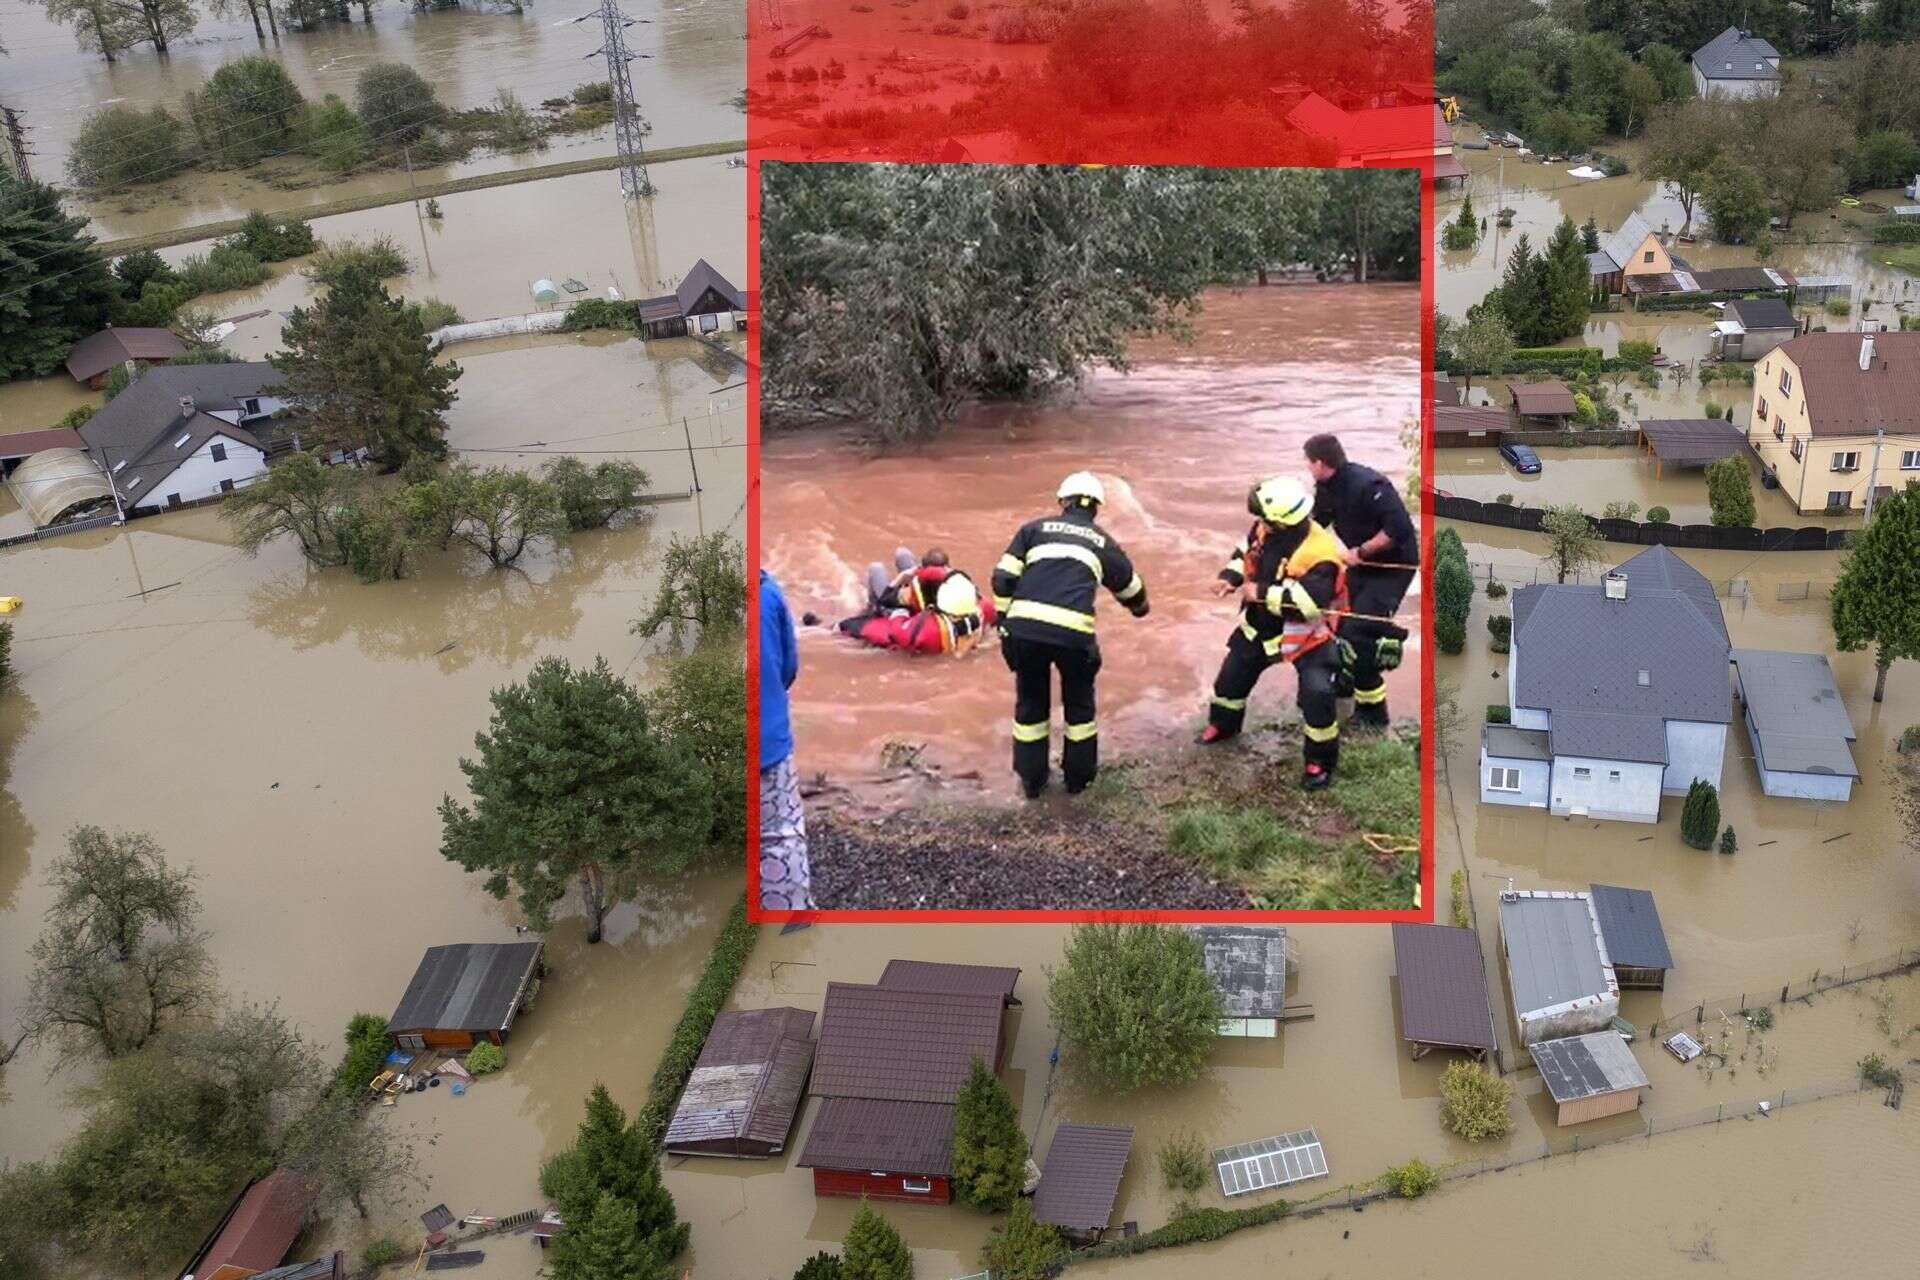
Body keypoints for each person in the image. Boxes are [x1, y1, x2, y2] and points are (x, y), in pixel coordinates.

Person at [990, 471, 1149, 798]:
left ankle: (1032, 782)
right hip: (1073, 637)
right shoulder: (1102, 541)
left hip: (1025, 631)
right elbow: (1130, 587)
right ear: (1097, 509)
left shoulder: (1033, 530)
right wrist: (1140, 609)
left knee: (1030, 705)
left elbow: (1003, 579)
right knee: (1079, 708)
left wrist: (1006, 623)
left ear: (1063, 502)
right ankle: (1078, 781)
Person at [1197, 475, 1348, 791]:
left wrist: (1262, 592)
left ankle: (1319, 762)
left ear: (1283, 521)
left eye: (1265, 517)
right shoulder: (1264, 528)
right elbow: (1244, 554)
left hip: (1306, 636)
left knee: (1317, 695)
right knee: (1229, 682)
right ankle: (1223, 726)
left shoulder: (1320, 552)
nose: (1259, 522)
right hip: (1260, 626)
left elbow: (1308, 604)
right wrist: (1230, 579)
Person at [1304, 432, 1415, 729]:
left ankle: (1373, 713)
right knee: (1337, 621)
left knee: (1360, 635)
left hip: (1393, 567)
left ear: (1319, 462)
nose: (1307, 468)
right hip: (1360, 566)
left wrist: (1361, 551)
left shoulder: (1369, 485)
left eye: (1308, 462)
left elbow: (1398, 529)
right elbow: (1317, 526)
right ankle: (1345, 679)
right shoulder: (1326, 487)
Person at [758, 569, 814, 910]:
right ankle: (790, 917)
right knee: (781, 833)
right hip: (769, 744)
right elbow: (788, 668)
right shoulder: (768, 593)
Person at [838, 571, 997, 655]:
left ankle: (866, 609)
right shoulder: (982, 609)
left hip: (880, 626)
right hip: (903, 625)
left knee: (876, 570)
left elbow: (899, 632)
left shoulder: (927, 631)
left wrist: (901, 608)